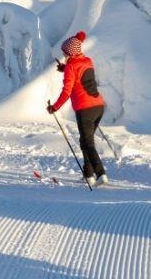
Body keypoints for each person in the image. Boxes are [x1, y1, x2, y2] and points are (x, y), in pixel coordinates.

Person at [47, 31, 108, 187]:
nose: (63, 54)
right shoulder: (87, 61)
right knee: (85, 141)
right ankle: (88, 174)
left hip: (84, 109)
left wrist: (54, 107)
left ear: (69, 52)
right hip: (98, 107)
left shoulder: (71, 67)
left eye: (64, 52)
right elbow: (78, 69)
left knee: (88, 144)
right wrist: (65, 68)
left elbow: (67, 91)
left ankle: (101, 174)